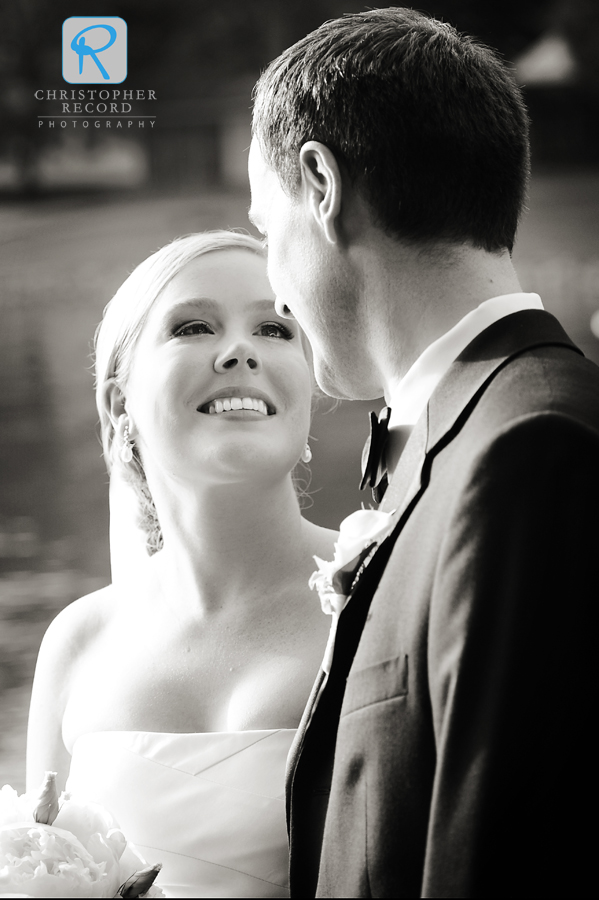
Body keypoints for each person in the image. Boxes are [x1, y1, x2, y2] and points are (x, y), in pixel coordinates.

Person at [249, 8, 599, 897]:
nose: (273, 284)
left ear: (320, 184)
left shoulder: (532, 451)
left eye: (263, 229)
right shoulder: (471, 433)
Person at [26, 231, 336, 898]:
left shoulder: (382, 590)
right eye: (194, 326)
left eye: (275, 329)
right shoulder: (79, 643)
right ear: (119, 405)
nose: (239, 350)